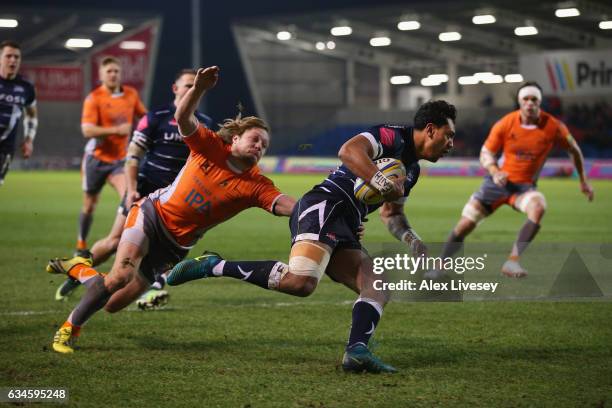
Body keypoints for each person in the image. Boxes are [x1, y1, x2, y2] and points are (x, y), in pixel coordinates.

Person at [167, 100, 457, 373]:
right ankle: (214, 265)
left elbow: (392, 215)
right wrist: (381, 181)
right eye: (448, 135)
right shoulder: (392, 137)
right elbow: (348, 152)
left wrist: (414, 242)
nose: (451, 144)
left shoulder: (413, 171)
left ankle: (356, 352)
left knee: (377, 285)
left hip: (348, 220)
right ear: (430, 129)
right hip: (325, 204)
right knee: (301, 283)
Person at [46, 66, 296, 354]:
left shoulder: (257, 184)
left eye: (264, 145)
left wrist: (324, 210)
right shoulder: (209, 145)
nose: (259, 147)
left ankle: (77, 268)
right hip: (152, 215)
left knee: (113, 303)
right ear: (235, 139)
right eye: (255, 139)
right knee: (119, 277)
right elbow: (183, 117)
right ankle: (67, 331)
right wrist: (200, 88)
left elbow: (288, 205)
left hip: (176, 246)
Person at [54, 69, 213, 309]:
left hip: (175, 200)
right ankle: (77, 273)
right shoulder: (156, 116)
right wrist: (130, 190)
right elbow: (133, 156)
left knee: (164, 251)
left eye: (196, 86)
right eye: (187, 85)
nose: (192, 89)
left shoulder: (206, 123)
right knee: (113, 241)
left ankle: (145, 290)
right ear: (175, 89)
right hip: (144, 189)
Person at [437, 82, 593, 278]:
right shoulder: (505, 123)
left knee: (538, 207)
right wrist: (494, 171)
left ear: (540, 102)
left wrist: (583, 180)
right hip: (496, 184)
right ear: (520, 102)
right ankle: (439, 266)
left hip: (524, 188)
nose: (529, 103)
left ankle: (512, 263)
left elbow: (575, 151)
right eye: (525, 99)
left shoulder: (554, 127)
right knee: (465, 225)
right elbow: (486, 152)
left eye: (533, 99)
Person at [76, 56, 147, 255]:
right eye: (109, 71)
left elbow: (145, 117)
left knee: (130, 197)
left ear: (120, 73)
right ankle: (80, 245)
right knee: (89, 206)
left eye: (116, 71)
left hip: (119, 161)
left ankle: (121, 241)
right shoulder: (94, 98)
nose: (113, 74)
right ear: (101, 75)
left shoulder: (131, 94)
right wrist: (117, 130)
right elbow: (87, 130)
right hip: (96, 159)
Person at [0, 40, 37, 185]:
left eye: (17, 57)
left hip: (5, 149)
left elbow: (32, 115)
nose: (13, 60)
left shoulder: (26, 88)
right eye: (8, 56)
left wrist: (29, 139)